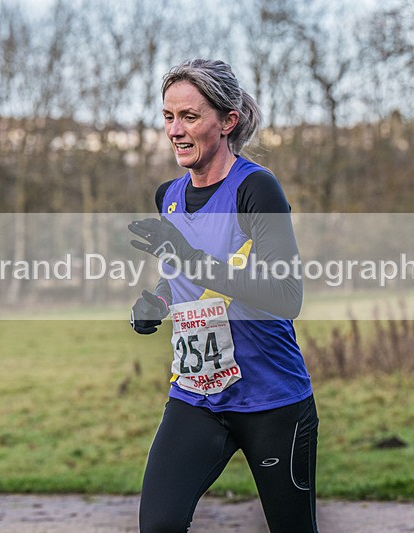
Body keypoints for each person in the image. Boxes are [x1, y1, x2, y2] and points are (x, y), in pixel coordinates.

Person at [128, 58, 318, 533]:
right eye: (168, 116)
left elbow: (285, 295)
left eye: (190, 117)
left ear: (227, 121)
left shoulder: (256, 189)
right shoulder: (167, 195)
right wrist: (157, 302)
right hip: (198, 395)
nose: (175, 129)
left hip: (270, 398)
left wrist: (186, 257)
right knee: (158, 525)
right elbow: (182, 279)